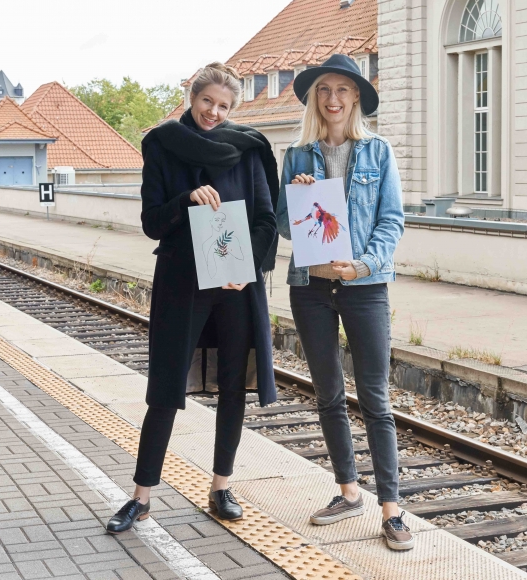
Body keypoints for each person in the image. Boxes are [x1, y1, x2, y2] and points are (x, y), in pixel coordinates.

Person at [106, 62, 279, 533]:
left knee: (232, 388)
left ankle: (221, 486)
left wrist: (248, 270)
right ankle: (141, 497)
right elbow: (151, 222)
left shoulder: (248, 148)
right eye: (207, 102)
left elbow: (267, 220)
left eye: (223, 106)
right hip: (182, 282)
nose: (214, 113)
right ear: (192, 96)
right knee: (164, 389)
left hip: (235, 286)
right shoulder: (162, 144)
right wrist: (186, 200)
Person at [276, 54, 411, 550]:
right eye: (324, 90)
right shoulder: (296, 156)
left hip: (364, 287)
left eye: (343, 90)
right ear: (316, 98)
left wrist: (365, 265)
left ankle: (392, 512)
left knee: (375, 399)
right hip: (310, 288)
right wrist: (296, 197)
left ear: (356, 98)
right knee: (328, 394)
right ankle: (348, 491)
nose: (333, 99)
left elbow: (391, 219)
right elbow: (282, 223)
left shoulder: (379, 152)